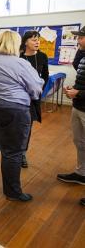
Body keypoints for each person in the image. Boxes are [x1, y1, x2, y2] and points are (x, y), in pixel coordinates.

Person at [0, 30, 44, 202]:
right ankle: (12, 192)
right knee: (12, 151)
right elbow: (36, 90)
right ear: (16, 44)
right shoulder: (20, 64)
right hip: (12, 109)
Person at [57, 26, 85, 207]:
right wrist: (74, 93)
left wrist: (79, 93)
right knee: (80, 142)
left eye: (81, 37)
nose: (78, 41)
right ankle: (81, 173)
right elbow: (76, 65)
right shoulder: (82, 56)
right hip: (78, 106)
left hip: (83, 102)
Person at [19, 30, 49, 168]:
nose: (37, 42)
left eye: (38, 39)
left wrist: (39, 88)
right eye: (33, 39)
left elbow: (45, 75)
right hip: (18, 97)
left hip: (33, 98)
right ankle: (13, 151)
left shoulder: (42, 56)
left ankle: (22, 154)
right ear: (25, 42)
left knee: (27, 126)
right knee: (16, 125)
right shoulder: (18, 57)